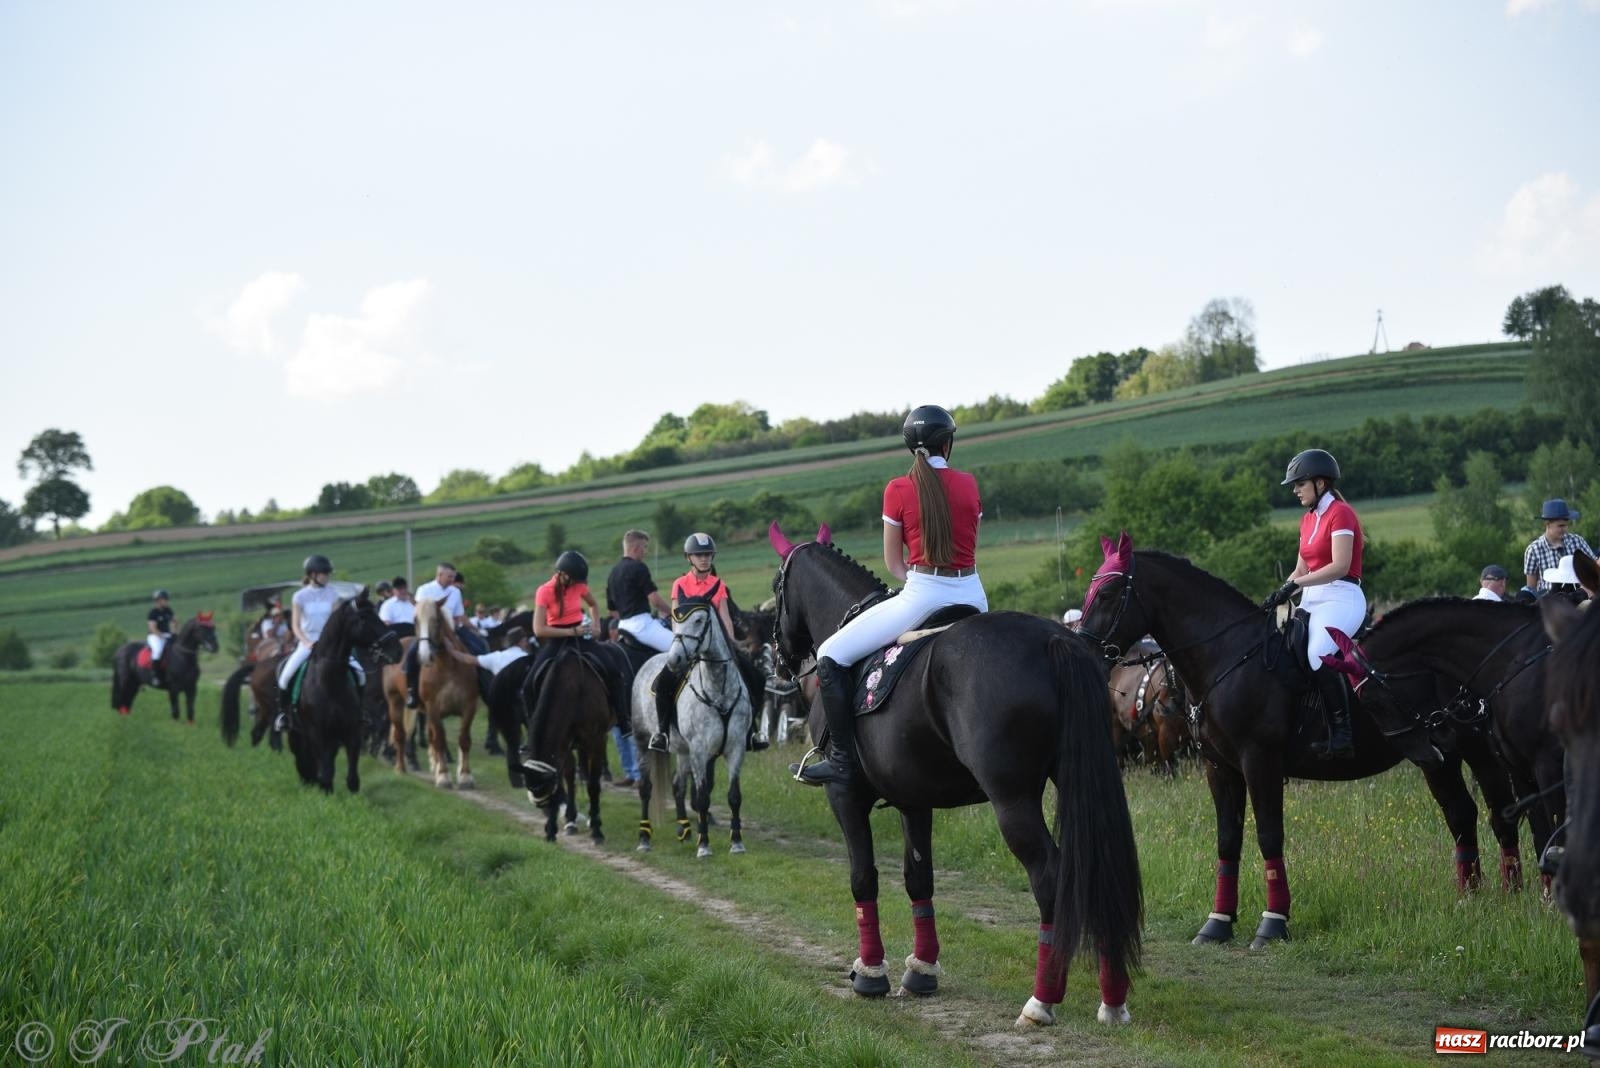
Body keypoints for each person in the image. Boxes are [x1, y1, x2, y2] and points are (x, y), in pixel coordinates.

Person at [792, 405, 986, 787]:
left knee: (830, 655)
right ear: (947, 444)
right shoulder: (969, 484)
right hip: (974, 596)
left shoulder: (897, 489)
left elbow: (894, 564)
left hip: (922, 595)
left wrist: (916, 579)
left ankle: (842, 761)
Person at [1259, 448, 1363, 760]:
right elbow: (1302, 570)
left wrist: (1295, 585)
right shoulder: (1307, 521)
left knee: (1318, 654)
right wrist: (1280, 593)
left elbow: (1340, 566)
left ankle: (1343, 735)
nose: (1295, 490)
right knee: (1281, 649)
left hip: (1342, 597)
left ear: (1320, 483)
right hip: (1312, 598)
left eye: (1299, 484)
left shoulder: (1341, 513)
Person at [645, 532, 769, 755]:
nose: (704, 559)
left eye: (708, 555)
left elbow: (725, 618)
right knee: (662, 684)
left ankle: (752, 732)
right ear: (689, 558)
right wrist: (681, 645)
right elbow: (676, 619)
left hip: (717, 647)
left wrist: (731, 643)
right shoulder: (680, 585)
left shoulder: (718, 584)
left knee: (755, 679)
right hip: (689, 646)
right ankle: (662, 733)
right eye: (699, 555)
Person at [518, 551, 636, 774]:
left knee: (612, 670)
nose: (576, 585)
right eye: (573, 579)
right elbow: (539, 629)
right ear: (561, 574)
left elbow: (593, 604)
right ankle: (534, 733)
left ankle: (623, 719)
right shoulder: (543, 591)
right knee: (527, 686)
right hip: (556, 639)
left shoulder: (578, 586)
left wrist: (596, 625)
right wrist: (570, 630)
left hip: (580, 637)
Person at [274, 554, 364, 731]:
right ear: (313, 574)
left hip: (329, 644)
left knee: (361, 674)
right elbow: (295, 625)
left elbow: (334, 620)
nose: (328, 576)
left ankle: (360, 713)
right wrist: (306, 642)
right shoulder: (299, 596)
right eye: (325, 573)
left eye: (328, 573)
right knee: (284, 678)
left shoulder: (332, 594)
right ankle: (283, 714)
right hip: (307, 643)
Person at [405, 562, 486, 708]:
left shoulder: (455, 592)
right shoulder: (424, 590)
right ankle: (412, 690)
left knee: (479, 647)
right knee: (411, 656)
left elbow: (459, 615)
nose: (452, 580)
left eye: (453, 577)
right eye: (449, 576)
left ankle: (483, 685)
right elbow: (418, 614)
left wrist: (475, 629)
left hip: (452, 630)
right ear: (440, 575)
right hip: (429, 632)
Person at [606, 529, 673, 653]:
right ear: (636, 548)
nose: (646, 551)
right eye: (645, 547)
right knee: (683, 650)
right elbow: (655, 600)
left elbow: (612, 610)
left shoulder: (612, 573)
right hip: (642, 626)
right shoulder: (639, 567)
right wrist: (674, 614)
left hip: (622, 627)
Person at [1523, 499, 1595, 595]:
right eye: (1560, 526)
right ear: (1548, 524)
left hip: (1579, 598)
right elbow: (1531, 588)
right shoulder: (1533, 550)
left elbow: (1594, 566)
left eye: (1566, 525)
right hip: (1549, 603)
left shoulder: (1577, 542)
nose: (1565, 529)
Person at [147, 589, 175, 686]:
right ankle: (155, 675)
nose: (167, 601)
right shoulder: (153, 612)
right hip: (155, 636)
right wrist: (161, 636)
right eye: (165, 599)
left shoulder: (168, 610)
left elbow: (174, 622)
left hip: (167, 634)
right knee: (157, 651)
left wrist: (174, 633)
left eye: (166, 599)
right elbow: (152, 627)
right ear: (158, 600)